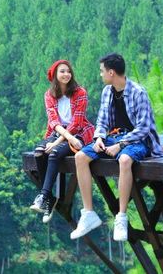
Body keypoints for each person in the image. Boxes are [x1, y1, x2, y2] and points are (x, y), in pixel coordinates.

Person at [70, 53, 163, 242]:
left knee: (124, 159)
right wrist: (98, 138)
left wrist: (121, 145)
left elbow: (143, 129)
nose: (101, 75)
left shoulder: (138, 92)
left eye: (102, 71)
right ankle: (88, 214)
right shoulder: (107, 91)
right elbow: (102, 120)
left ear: (111, 72)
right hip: (114, 137)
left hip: (138, 140)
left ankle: (121, 217)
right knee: (80, 157)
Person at [30, 59, 95, 220]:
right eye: (62, 71)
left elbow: (77, 123)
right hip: (60, 133)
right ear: (54, 76)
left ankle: (43, 197)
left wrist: (59, 142)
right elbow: (53, 122)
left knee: (53, 153)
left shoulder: (80, 93)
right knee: (39, 153)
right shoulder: (49, 95)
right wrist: (61, 139)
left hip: (79, 133)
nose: (66, 74)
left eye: (68, 71)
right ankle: (50, 200)